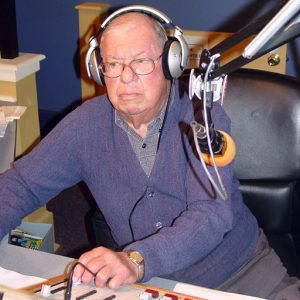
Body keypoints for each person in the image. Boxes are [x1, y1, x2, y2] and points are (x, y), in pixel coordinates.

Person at [0, 5, 299, 300]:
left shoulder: (202, 116)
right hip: (150, 285)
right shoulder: (84, 125)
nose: (126, 77)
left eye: (141, 61)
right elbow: (22, 185)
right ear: (98, 68)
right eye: (114, 64)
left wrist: (135, 260)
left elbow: (210, 215)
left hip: (242, 275)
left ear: (171, 61)